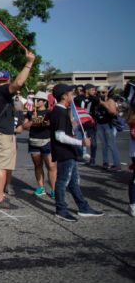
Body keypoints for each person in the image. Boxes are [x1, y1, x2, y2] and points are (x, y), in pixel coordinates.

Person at [0, 50, 36, 209]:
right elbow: (18, 83)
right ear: (7, 80)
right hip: (2, 134)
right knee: (1, 166)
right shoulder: (3, 90)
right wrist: (28, 63)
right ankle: (0, 198)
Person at [48, 84, 104, 222]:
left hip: (68, 152)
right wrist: (81, 143)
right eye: (70, 94)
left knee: (73, 182)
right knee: (62, 181)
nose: (72, 96)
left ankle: (83, 207)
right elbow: (59, 136)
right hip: (64, 152)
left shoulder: (62, 111)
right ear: (64, 96)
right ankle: (61, 210)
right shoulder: (59, 112)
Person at [23, 91, 56, 198]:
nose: (36, 102)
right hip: (34, 141)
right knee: (37, 165)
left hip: (47, 141)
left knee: (51, 166)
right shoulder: (30, 112)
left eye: (39, 100)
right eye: (34, 100)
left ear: (45, 102)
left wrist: (46, 122)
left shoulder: (50, 113)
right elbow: (24, 126)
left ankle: (54, 189)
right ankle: (40, 188)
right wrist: (33, 121)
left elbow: (54, 124)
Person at [95, 86, 120, 171]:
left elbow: (112, 112)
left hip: (108, 125)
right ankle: (105, 162)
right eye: (98, 92)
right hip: (100, 124)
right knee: (104, 145)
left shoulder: (110, 101)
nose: (100, 94)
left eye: (103, 92)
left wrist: (103, 104)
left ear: (107, 92)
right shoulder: (97, 101)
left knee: (111, 145)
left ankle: (117, 165)